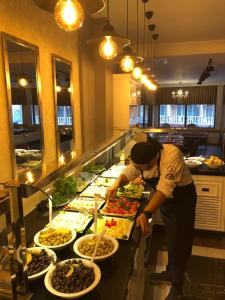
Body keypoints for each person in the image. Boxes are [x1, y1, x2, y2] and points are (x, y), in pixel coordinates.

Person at [106, 141, 197, 300]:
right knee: (171, 237)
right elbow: (128, 174)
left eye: (144, 167)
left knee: (181, 241)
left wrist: (146, 213)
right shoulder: (142, 159)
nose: (140, 170)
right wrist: (116, 185)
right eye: (138, 166)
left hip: (183, 199)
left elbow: (164, 188)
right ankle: (170, 272)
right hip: (166, 201)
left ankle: (178, 287)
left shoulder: (172, 154)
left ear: (154, 159)